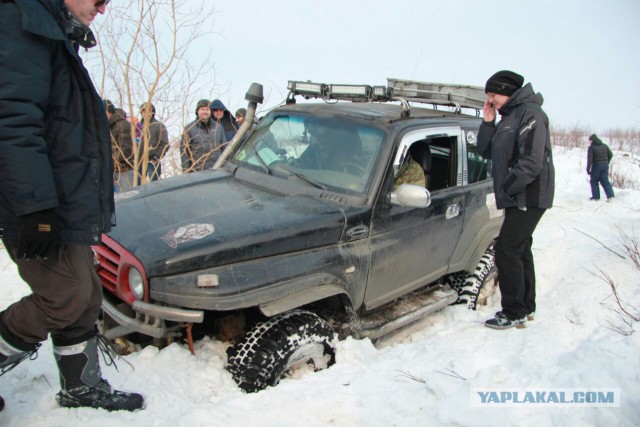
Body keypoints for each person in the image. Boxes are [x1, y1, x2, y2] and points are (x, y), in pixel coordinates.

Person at [0, 0, 144, 412]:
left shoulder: (51, 28)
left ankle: (81, 386)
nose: (103, 8)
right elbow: (11, 123)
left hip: (61, 199)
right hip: (34, 202)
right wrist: (34, 208)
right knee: (64, 295)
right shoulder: (19, 21)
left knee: (85, 294)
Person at [476, 70, 555, 330]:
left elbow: (530, 162)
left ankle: (513, 312)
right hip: (517, 195)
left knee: (506, 249)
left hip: (528, 194)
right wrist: (488, 122)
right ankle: (526, 307)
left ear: (507, 91)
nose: (490, 100)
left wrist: (508, 188)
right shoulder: (509, 117)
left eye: (493, 94)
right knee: (520, 249)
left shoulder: (530, 114)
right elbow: (486, 151)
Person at [181, 99, 227, 172]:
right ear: (197, 111)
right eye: (202, 109)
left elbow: (225, 148)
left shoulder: (218, 127)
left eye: (207, 109)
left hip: (216, 169)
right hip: (198, 171)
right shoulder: (189, 128)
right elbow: (184, 153)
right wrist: (186, 170)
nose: (205, 112)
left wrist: (225, 166)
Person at [105, 101, 135, 191]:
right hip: (112, 171)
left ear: (109, 111)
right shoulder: (108, 127)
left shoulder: (122, 124)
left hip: (124, 171)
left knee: (128, 199)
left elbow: (126, 149)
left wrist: (112, 160)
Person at [138, 102, 169, 182]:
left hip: (152, 162)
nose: (146, 113)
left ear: (153, 112)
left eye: (149, 111)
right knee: (138, 187)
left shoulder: (159, 125)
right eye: (144, 111)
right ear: (141, 113)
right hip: (139, 163)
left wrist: (155, 158)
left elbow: (165, 144)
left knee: (153, 187)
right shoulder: (137, 127)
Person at [586, 134, 615, 201]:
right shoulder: (604, 145)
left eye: (590, 141)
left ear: (592, 140)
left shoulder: (591, 147)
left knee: (594, 181)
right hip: (605, 166)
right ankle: (611, 196)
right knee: (605, 180)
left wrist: (588, 168)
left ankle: (595, 197)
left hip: (596, 166)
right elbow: (610, 154)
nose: (589, 142)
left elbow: (589, 159)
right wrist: (607, 162)